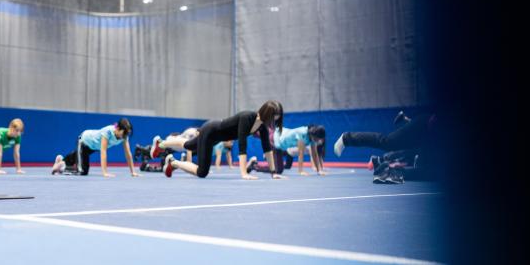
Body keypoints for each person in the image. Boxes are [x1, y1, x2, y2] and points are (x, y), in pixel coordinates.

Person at [150, 100, 285, 180]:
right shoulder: (247, 117)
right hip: (211, 131)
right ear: (267, 114)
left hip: (216, 137)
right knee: (202, 172)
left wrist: (273, 173)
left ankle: (161, 144)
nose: (274, 121)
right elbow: (242, 145)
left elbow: (268, 149)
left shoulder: (262, 127)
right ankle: (173, 162)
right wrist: (244, 173)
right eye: (274, 118)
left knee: (188, 145)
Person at [51, 118, 139, 178]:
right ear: (118, 128)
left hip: (92, 147)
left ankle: (61, 161)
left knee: (78, 157)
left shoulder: (124, 137)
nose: (125, 135)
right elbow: (103, 151)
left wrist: (133, 172)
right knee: (82, 171)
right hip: (83, 139)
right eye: (124, 133)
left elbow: (128, 154)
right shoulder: (108, 132)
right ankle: (61, 167)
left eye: (127, 133)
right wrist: (105, 172)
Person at [248, 125, 327, 176]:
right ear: (314, 134)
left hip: (280, 139)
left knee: (262, 135)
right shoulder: (302, 133)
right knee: (278, 170)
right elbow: (300, 153)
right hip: (276, 140)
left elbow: (314, 154)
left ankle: (254, 131)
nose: (318, 141)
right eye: (317, 139)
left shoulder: (312, 139)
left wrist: (319, 170)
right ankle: (254, 165)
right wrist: (300, 171)